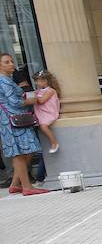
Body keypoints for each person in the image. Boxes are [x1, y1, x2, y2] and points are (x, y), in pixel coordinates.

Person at [0, 53, 47, 195]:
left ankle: (15, 184)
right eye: (6, 62)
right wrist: (30, 101)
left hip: (12, 120)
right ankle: (27, 187)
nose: (11, 64)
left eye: (11, 61)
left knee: (25, 152)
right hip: (13, 121)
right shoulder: (3, 81)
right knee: (20, 154)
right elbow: (14, 102)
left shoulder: (7, 80)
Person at [31, 71, 61, 153]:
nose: (36, 83)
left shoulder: (50, 91)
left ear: (45, 81)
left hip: (49, 112)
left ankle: (54, 142)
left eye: (38, 81)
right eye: (36, 81)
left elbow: (41, 101)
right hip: (42, 113)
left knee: (43, 126)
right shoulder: (39, 91)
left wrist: (34, 97)